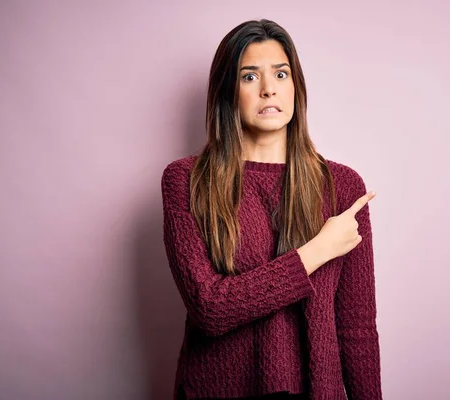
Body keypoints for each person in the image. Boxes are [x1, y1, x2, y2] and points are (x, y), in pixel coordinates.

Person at [161, 19, 382, 400]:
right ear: (228, 92)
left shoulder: (342, 187)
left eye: (280, 73)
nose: (268, 89)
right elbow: (211, 308)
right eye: (249, 77)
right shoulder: (187, 181)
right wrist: (317, 250)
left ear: (295, 85)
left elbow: (357, 328)